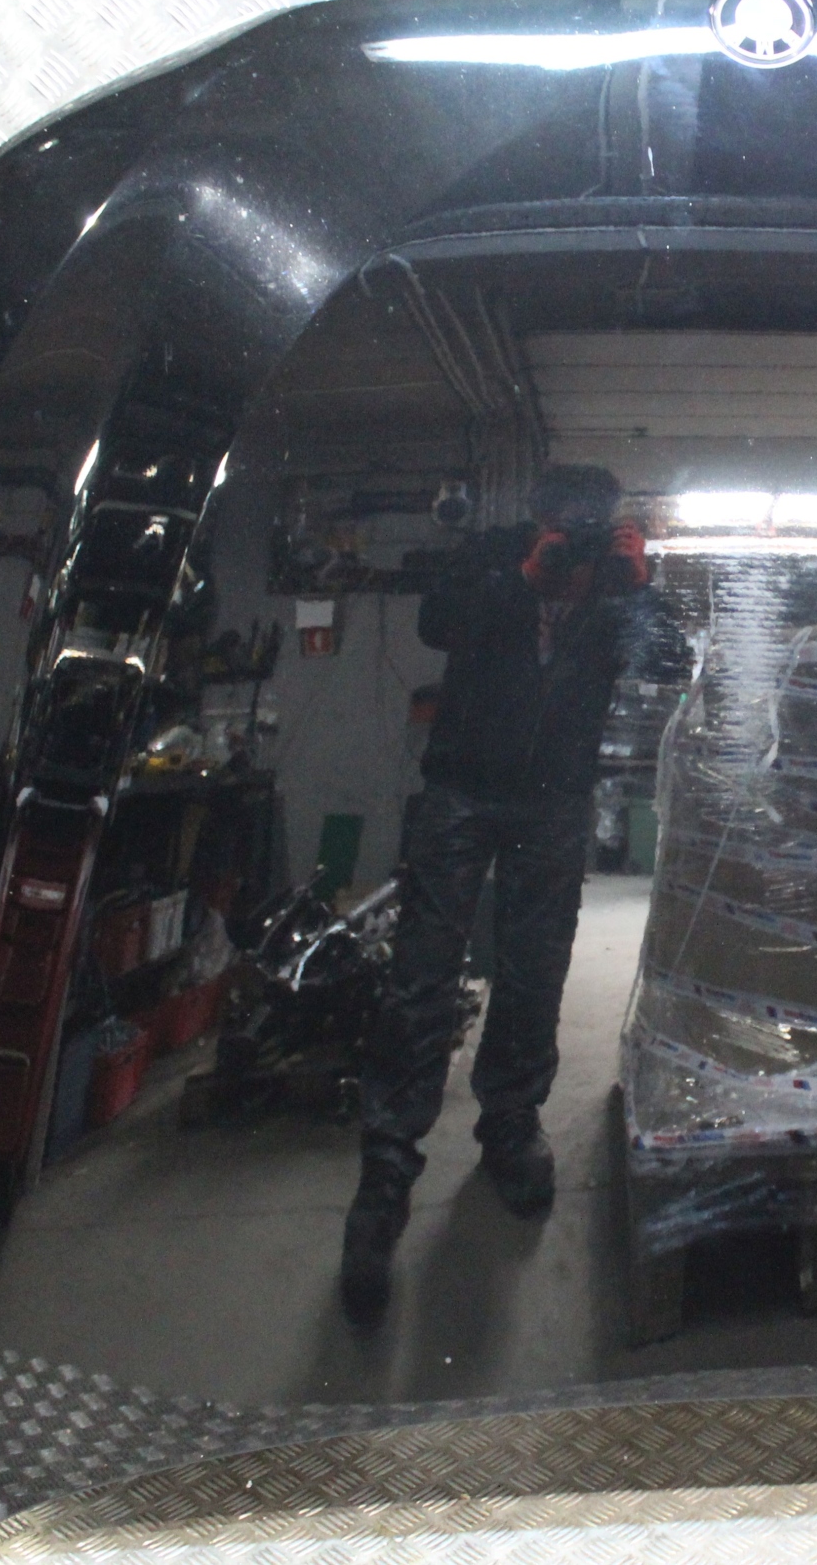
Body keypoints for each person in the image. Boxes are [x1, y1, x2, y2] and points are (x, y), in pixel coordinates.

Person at [340, 464, 689, 1322]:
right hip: (462, 787)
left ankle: (509, 1126)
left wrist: (641, 590)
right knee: (422, 972)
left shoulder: (614, 584)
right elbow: (437, 623)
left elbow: (670, 664)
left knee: (535, 968)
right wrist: (523, 577)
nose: (576, 533)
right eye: (564, 519)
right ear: (539, 515)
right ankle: (386, 1170)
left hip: (554, 798)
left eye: (591, 521)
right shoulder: (494, 555)